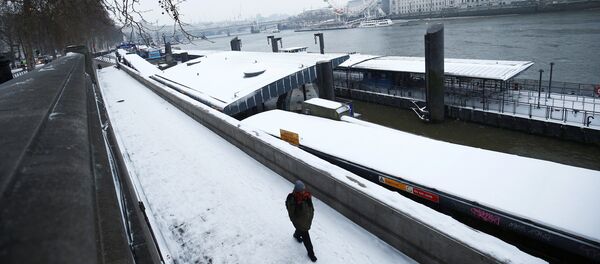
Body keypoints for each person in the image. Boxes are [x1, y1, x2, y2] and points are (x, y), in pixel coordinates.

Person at [285, 180, 317, 262]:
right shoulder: (292, 199)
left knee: (300, 231)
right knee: (306, 238)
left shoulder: (306, 197)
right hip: (299, 222)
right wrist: (297, 205)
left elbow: (310, 207)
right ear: (297, 190)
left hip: (306, 221)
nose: (304, 191)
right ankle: (311, 254)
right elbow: (292, 213)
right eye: (302, 190)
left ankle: (296, 235)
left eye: (304, 189)